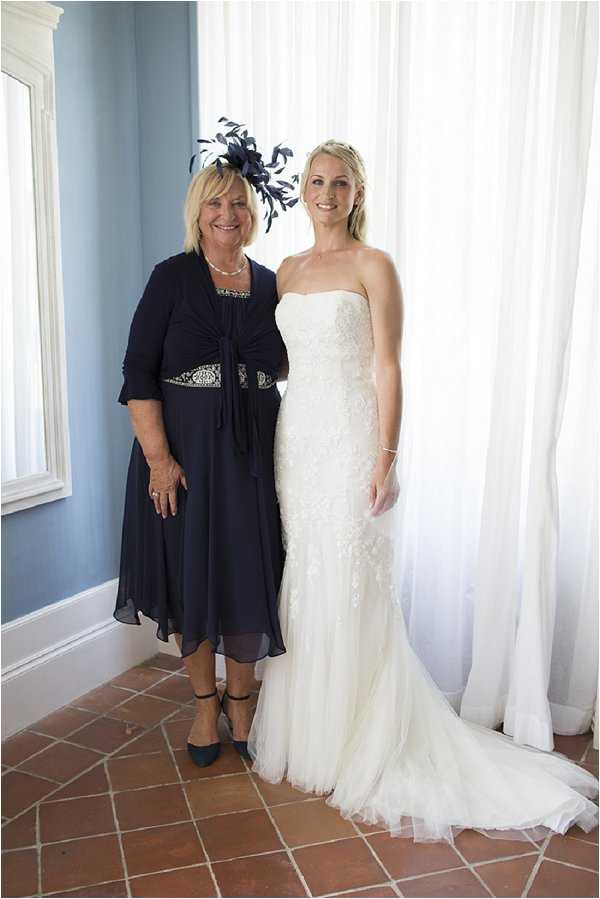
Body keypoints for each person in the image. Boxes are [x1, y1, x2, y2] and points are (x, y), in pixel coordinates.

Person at [248, 140, 598, 842]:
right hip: (298, 441)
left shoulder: (373, 265)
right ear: (304, 189)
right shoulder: (284, 271)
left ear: (357, 192)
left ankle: (358, 737)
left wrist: (386, 455)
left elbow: (387, 364)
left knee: (350, 577)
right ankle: (311, 732)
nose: (325, 192)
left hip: (351, 437)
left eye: (339, 181)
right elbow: (278, 359)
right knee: (308, 576)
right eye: (316, 180)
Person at [115, 125, 296, 767]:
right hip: (183, 454)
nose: (228, 214)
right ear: (198, 211)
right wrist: (160, 461)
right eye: (215, 203)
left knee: (248, 572)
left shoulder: (273, 284)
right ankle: (202, 704)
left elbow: (293, 363)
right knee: (192, 576)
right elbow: (139, 375)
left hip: (251, 454)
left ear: (254, 214)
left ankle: (241, 704)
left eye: (239, 203)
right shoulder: (171, 278)